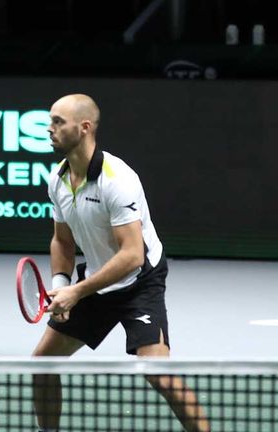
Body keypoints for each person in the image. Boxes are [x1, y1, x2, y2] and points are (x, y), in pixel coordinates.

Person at [32, 94, 210, 432]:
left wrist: (77, 291)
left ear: (84, 128)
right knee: (42, 365)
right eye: (50, 121)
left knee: (161, 379)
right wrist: (60, 288)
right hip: (97, 280)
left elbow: (132, 256)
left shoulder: (117, 180)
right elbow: (62, 241)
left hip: (138, 282)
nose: (49, 129)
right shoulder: (58, 178)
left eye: (58, 122)